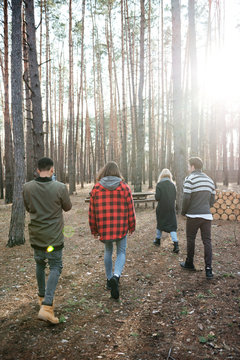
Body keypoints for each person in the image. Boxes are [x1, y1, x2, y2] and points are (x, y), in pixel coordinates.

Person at [23, 157, 72, 324]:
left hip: (37, 238)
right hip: (53, 240)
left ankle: (41, 296)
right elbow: (68, 207)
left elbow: (28, 207)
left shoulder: (27, 187)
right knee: (56, 266)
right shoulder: (59, 187)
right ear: (52, 170)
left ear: (37, 170)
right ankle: (47, 306)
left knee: (40, 263)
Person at [88, 161, 136, 300]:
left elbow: (92, 212)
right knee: (121, 251)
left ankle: (109, 280)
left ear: (104, 172)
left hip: (104, 227)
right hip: (121, 226)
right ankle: (116, 276)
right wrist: (132, 225)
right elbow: (130, 208)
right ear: (117, 172)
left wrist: (94, 229)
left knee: (108, 251)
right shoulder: (124, 187)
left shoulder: (96, 188)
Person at [180, 157, 215, 279]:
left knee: (191, 239)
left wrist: (184, 211)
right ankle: (209, 269)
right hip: (206, 215)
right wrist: (205, 207)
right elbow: (212, 200)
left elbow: (186, 198)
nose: (188, 168)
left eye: (189, 166)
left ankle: (189, 263)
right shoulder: (210, 180)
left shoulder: (189, 179)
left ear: (193, 166)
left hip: (193, 215)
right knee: (207, 241)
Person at [154, 168, 179, 253]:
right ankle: (176, 245)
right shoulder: (173, 185)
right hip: (171, 208)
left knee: (160, 224)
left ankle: (157, 240)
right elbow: (175, 197)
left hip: (161, 208)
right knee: (172, 226)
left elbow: (157, 198)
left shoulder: (159, 184)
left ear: (161, 175)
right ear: (169, 176)